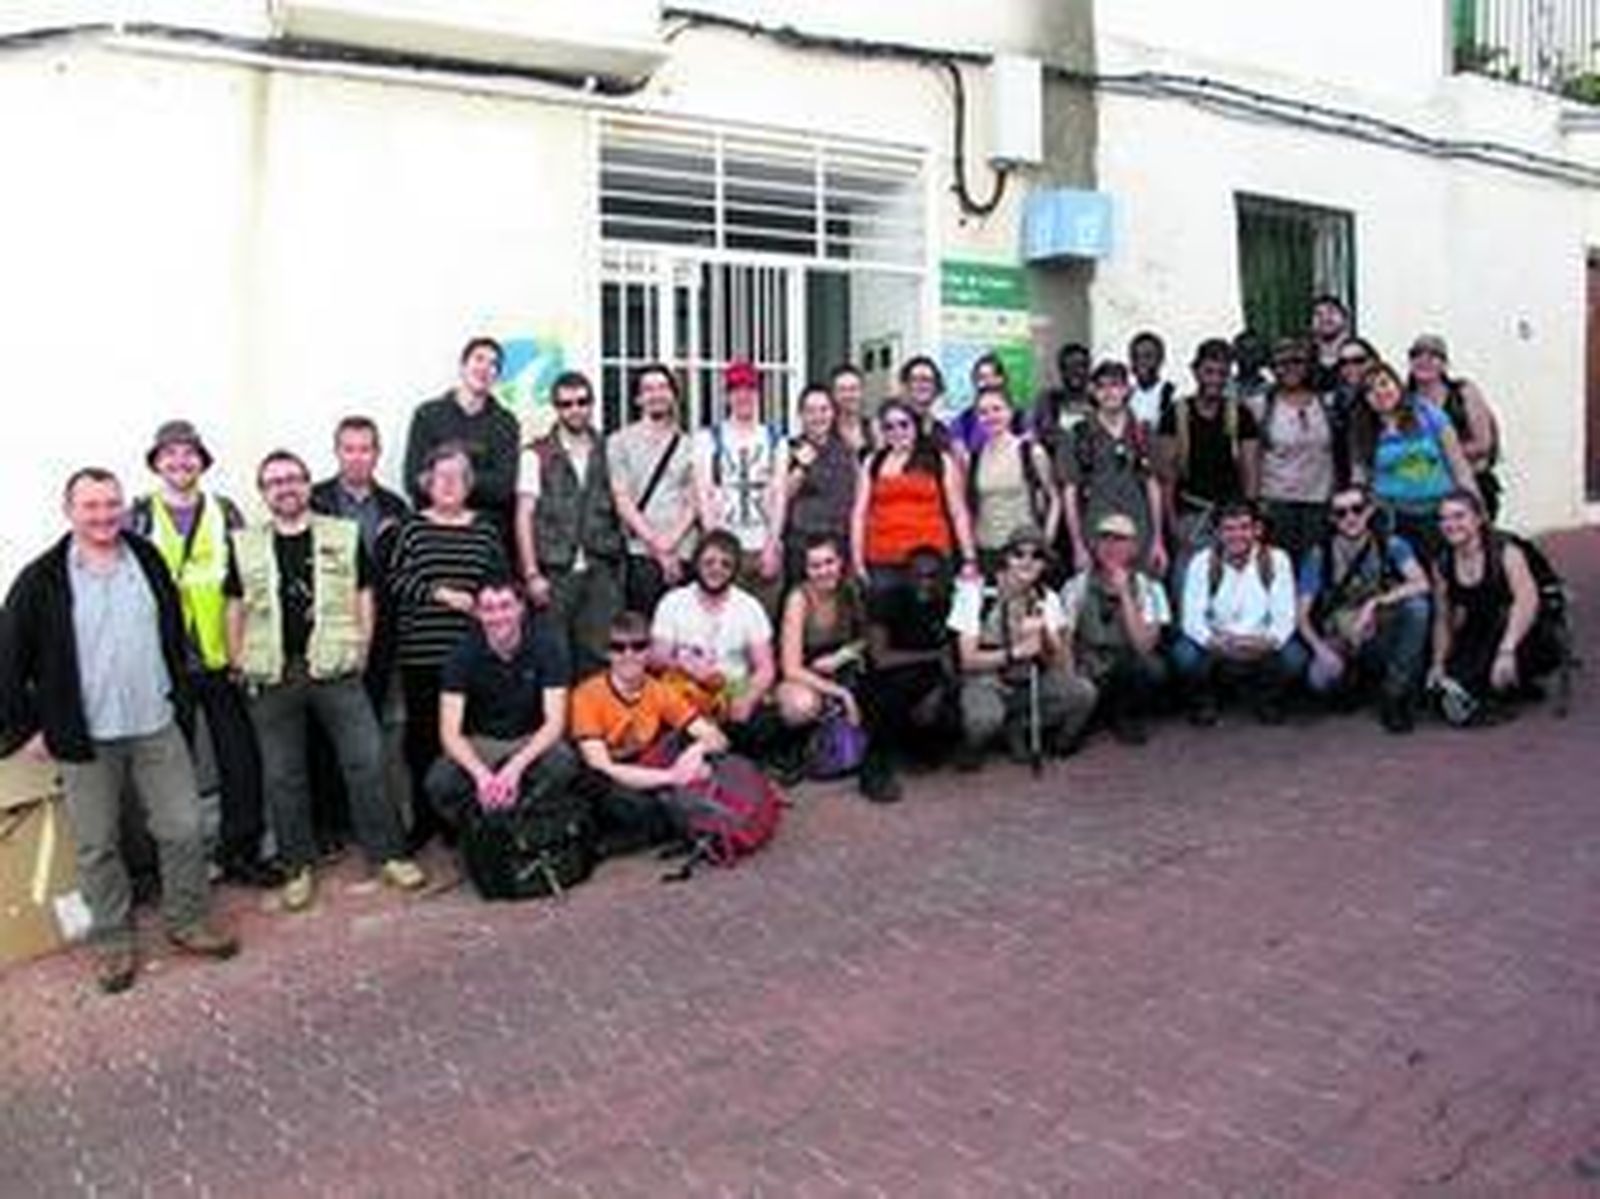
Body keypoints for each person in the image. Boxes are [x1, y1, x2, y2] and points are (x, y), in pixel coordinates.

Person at [0, 468, 238, 993]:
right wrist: (24, 732)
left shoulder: (147, 559)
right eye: (91, 506)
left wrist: (176, 694)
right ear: (69, 511)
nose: (104, 515)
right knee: (98, 845)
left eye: (112, 504)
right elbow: (8, 660)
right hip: (86, 738)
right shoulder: (41, 580)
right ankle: (111, 942)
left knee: (182, 827)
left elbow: (172, 632)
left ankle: (188, 921)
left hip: (155, 723)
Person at [225, 451, 425, 911]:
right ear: (263, 492)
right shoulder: (246, 544)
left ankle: (389, 854)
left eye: (293, 479)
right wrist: (237, 658)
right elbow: (234, 604)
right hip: (273, 673)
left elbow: (364, 593)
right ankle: (297, 866)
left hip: (335, 667)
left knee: (367, 760)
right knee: (283, 775)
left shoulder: (341, 533)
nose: (285, 487)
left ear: (307, 485)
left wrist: (362, 650)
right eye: (274, 481)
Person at [127, 420, 277, 888]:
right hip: (165, 666)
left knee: (241, 760)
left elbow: (246, 579)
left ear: (201, 460)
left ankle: (241, 852)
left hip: (221, 660)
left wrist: (246, 649)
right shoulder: (138, 514)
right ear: (156, 463)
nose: (180, 461)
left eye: (189, 453)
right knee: (165, 773)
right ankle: (167, 868)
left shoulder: (224, 510)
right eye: (169, 454)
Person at [387, 442, 508, 848]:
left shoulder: (485, 529)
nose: (450, 484)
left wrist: (489, 610)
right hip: (422, 652)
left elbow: (500, 585)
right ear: (426, 483)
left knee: (468, 739)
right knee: (422, 739)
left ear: (469, 483)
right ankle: (424, 821)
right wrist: (441, 594)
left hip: (472, 656)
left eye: (459, 476)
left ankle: (463, 819)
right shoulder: (411, 527)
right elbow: (395, 581)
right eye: (441, 476)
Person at [425, 579, 581, 837]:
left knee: (563, 763)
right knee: (440, 782)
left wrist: (514, 769)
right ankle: (480, 830)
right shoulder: (461, 656)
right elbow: (449, 733)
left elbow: (555, 723)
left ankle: (523, 823)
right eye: (488, 608)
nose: (498, 616)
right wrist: (482, 777)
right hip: (482, 741)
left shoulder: (548, 646)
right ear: (478, 613)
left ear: (521, 608)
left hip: (529, 737)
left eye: (505, 606)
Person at [570, 610, 729, 853]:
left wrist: (697, 750)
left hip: (645, 770)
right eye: (619, 647)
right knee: (605, 791)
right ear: (607, 653)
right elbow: (600, 766)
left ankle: (656, 826)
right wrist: (672, 777)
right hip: (607, 778)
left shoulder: (659, 690)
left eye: (638, 646)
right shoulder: (586, 695)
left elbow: (718, 738)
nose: (629, 655)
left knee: (703, 764)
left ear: (649, 651)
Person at [948, 525, 1096, 767]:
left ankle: (1018, 727)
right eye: (1019, 554)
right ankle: (975, 742)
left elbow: (1058, 663)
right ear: (1006, 558)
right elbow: (967, 659)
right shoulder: (976, 593)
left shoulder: (1048, 599)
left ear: (1045, 564)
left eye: (1037, 556)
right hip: (987, 680)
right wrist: (1015, 652)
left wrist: (1045, 636)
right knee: (984, 720)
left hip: (1028, 681)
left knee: (1082, 693)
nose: (1027, 562)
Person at [1294, 483, 1431, 733]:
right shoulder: (1319, 554)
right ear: (1331, 518)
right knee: (1319, 680)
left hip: (1379, 628)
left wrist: (1375, 603)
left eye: (1357, 509)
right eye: (1341, 512)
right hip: (1340, 633)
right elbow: (1301, 615)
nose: (1350, 518)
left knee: (1417, 608)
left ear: (1369, 511)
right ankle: (1352, 682)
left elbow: (1422, 583)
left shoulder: (1391, 544)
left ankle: (1394, 693)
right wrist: (1321, 649)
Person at [515, 370, 625, 678]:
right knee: (554, 662)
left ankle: (592, 727)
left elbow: (623, 504)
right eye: (566, 404)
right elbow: (524, 515)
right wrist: (531, 573)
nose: (575, 409)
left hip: (601, 569)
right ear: (556, 408)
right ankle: (558, 728)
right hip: (554, 572)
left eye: (582, 401)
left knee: (601, 661)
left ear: (592, 404)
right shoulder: (536, 454)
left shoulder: (610, 449)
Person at [1429, 491, 1558, 723]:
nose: (1450, 525)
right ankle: (1503, 686)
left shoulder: (1506, 552)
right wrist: (1438, 664)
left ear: (1478, 520)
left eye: (1459, 516)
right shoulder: (1442, 562)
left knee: (1476, 681)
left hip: (1522, 629)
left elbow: (1527, 601)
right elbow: (1442, 618)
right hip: (1480, 627)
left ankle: (1513, 679)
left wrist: (1506, 651)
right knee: (1446, 683)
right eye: (1444, 518)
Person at [650, 529, 778, 754]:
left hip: (731, 692)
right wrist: (683, 665)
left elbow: (766, 667)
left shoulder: (749, 606)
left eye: (725, 564)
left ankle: (721, 753)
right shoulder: (673, 601)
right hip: (687, 692)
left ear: (734, 570)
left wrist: (748, 697)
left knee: (765, 724)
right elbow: (657, 658)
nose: (716, 569)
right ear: (696, 563)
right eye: (709, 562)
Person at [1171, 501, 1298, 725]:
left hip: (1260, 640)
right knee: (1184, 654)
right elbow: (1191, 619)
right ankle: (1204, 702)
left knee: (1295, 658)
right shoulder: (1202, 561)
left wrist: (1265, 641)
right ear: (1218, 532)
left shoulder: (1276, 559)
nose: (1237, 535)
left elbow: (1285, 616)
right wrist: (1215, 641)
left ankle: (1268, 700)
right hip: (1219, 640)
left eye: (1244, 527)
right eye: (1229, 529)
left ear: (1257, 530)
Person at [1349, 360, 1479, 565]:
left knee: (1446, 573)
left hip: (1440, 515)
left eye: (1384, 383)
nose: (1379, 393)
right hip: (1394, 519)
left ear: (1397, 384)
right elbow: (1359, 479)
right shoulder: (1363, 431)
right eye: (1369, 390)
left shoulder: (1429, 414)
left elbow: (1459, 466)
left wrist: (1475, 510)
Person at [1059, 513, 1171, 745]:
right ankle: (1087, 713)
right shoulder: (1075, 586)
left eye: (1119, 540)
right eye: (1104, 539)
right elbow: (1065, 641)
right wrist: (1072, 683)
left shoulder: (1149, 587)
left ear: (1134, 547)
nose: (1110, 546)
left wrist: (1125, 594)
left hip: (1125, 664)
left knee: (1151, 668)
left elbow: (1144, 645)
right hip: (1090, 664)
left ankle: (1127, 715)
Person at [858, 547, 958, 802]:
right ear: (906, 576)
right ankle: (875, 771)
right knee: (893, 692)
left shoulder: (945, 602)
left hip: (925, 678)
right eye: (919, 575)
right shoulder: (886, 601)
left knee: (948, 704)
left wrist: (939, 687)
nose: (926, 582)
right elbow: (881, 658)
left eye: (932, 576)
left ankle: (919, 748)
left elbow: (950, 654)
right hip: (886, 681)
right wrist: (934, 656)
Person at [401, 337, 521, 540]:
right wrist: (474, 479)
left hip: (485, 534)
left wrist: (446, 478)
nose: (485, 368)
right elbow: (413, 480)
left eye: (493, 365)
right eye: (479, 359)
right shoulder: (427, 415)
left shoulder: (506, 423)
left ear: (497, 376)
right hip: (432, 534)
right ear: (463, 366)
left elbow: (503, 487)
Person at [1157, 338, 1261, 575]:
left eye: (1221, 373)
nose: (1214, 380)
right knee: (1188, 578)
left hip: (1231, 515)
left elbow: (1250, 470)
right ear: (1195, 372)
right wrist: (1170, 522)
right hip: (1190, 512)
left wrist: (1250, 517)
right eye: (1209, 372)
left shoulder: (1240, 414)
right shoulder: (1176, 414)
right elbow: (1167, 474)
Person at [852, 398, 978, 589]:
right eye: (889, 427)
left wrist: (969, 558)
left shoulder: (939, 460)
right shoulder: (873, 462)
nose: (897, 432)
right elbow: (859, 514)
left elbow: (958, 511)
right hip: (882, 557)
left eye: (904, 425)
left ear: (915, 426)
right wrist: (857, 560)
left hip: (929, 558)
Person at [697, 360, 789, 616]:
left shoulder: (774, 438)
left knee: (764, 621)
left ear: (758, 393)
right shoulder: (708, 438)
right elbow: (704, 493)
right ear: (727, 395)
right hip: (727, 544)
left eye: (749, 389)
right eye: (736, 390)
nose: (743, 396)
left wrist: (772, 543)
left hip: (762, 544)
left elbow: (779, 493)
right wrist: (714, 548)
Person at [607, 363, 700, 616]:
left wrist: (671, 543)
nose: (656, 394)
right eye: (648, 389)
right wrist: (657, 545)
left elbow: (695, 501)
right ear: (638, 399)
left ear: (673, 394)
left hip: (683, 550)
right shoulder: (619, 442)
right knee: (642, 631)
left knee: (682, 632)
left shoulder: (691, 444)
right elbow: (622, 499)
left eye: (663, 387)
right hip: (640, 552)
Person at [1060, 360, 1167, 578]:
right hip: (1095, 533)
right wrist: (1078, 546)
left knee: (1140, 598)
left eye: (1116, 385)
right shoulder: (1078, 434)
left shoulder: (1142, 433)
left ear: (1127, 389)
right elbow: (1070, 493)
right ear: (1093, 390)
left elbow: (1153, 486)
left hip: (1139, 532)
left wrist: (1158, 539)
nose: (1109, 392)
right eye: (1102, 386)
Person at [1248, 337, 1339, 565]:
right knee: (1280, 567)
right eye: (1281, 363)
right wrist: (1253, 502)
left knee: (1316, 569)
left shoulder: (1326, 403)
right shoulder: (1259, 406)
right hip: (1276, 503)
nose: (1290, 368)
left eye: (1297, 361)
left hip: (1319, 502)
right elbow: (1251, 457)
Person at [776, 534, 867, 740]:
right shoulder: (799, 599)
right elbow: (791, 668)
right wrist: (841, 694)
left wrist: (845, 655)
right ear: (806, 570)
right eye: (815, 566)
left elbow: (867, 637)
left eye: (829, 562)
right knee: (801, 705)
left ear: (840, 562)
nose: (825, 571)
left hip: (844, 670)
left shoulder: (849, 590)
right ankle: (798, 751)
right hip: (804, 677)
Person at [1407, 334, 1503, 520]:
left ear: (1444, 364)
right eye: (1417, 354)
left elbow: (1483, 443)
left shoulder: (1463, 392)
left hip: (1472, 485)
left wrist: (1436, 453)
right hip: (1428, 493)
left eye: (1434, 355)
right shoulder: (1406, 401)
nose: (1424, 360)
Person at [967, 385, 1059, 578]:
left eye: (997, 409)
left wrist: (1045, 542)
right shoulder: (974, 457)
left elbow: (1054, 499)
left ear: (1010, 411)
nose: (991, 417)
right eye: (983, 412)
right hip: (987, 551)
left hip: (1023, 552)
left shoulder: (1030, 452)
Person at [782, 384, 858, 585]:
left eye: (824, 410)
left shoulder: (846, 450)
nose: (818, 417)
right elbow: (781, 497)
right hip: (802, 546)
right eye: (811, 411)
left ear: (833, 413)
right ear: (801, 415)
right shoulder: (788, 449)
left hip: (839, 545)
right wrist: (801, 467)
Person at [1030, 341, 1094, 461]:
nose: (1075, 373)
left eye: (1081, 366)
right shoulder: (1048, 400)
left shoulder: (1097, 401)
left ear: (1089, 369)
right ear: (1061, 370)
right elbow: (1043, 435)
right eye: (1069, 367)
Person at [948, 352, 1019, 456]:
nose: (984, 383)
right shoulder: (964, 421)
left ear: (1001, 379)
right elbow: (959, 450)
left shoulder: (1021, 418)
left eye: (988, 377)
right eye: (979, 378)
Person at [898, 355, 953, 452]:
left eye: (926, 380)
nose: (921, 385)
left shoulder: (941, 431)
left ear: (936, 386)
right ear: (906, 385)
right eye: (914, 380)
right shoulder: (896, 424)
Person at [1127, 331, 1176, 427]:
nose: (1142, 362)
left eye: (1148, 356)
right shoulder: (1126, 395)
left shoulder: (1170, 394)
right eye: (1136, 357)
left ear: (1160, 359)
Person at [1308, 294, 1353, 393]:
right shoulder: (1304, 360)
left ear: (1345, 319)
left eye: (1331, 312)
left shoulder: (1359, 355)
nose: (1325, 318)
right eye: (1318, 314)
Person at [829, 363, 874, 458]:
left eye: (853, 389)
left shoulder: (874, 430)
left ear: (862, 392)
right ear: (833, 394)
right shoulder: (825, 432)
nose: (848, 395)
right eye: (842, 390)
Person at [1230, 330, 1271, 407]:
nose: (1248, 359)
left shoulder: (1270, 390)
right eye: (1243, 350)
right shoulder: (1226, 389)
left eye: (1253, 351)